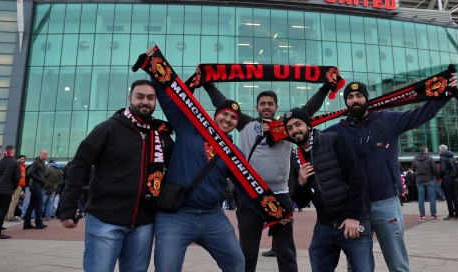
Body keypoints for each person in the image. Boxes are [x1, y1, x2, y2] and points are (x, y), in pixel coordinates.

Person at [323, 76, 458, 272]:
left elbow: (422, 113)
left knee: (397, 264)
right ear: (346, 102)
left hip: (386, 202)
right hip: (355, 208)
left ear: (366, 98)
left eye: (359, 95)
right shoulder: (336, 132)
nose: (355, 100)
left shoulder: (387, 120)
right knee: (357, 266)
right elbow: (305, 135)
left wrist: (447, 93)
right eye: (350, 97)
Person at [204, 79, 334, 272]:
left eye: (270, 104)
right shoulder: (245, 124)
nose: (266, 107)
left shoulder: (287, 127)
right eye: (262, 103)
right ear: (256, 107)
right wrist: (208, 84)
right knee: (247, 250)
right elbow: (221, 102)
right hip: (250, 194)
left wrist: (326, 86)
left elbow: (310, 108)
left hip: (280, 194)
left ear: (276, 107)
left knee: (286, 251)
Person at [60, 80, 175, 272]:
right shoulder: (108, 128)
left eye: (150, 98)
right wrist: (68, 206)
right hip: (105, 220)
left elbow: (177, 166)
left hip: (144, 224)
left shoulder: (161, 135)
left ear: (155, 102)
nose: (145, 102)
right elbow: (79, 165)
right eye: (140, 97)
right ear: (130, 98)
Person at [149, 80, 246, 271]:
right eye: (224, 114)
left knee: (237, 262)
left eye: (233, 117)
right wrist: (154, 67)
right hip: (176, 215)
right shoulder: (189, 127)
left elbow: (248, 188)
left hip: (212, 216)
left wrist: (275, 214)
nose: (228, 119)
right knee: (166, 267)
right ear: (215, 115)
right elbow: (170, 99)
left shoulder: (235, 154)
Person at [286, 108, 374, 272]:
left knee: (363, 268)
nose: (294, 130)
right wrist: (301, 182)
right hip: (325, 224)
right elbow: (302, 201)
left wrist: (354, 217)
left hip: (352, 219)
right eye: (289, 128)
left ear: (309, 126)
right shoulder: (296, 158)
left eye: (298, 124)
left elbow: (358, 180)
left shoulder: (334, 140)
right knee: (318, 260)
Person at [0, 145, 21, 239]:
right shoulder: (15, 163)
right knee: (2, 210)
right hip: (7, 190)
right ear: (13, 152)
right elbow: (17, 177)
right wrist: (13, 187)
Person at [23, 149, 48, 230]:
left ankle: (27, 223)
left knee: (32, 204)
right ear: (40, 154)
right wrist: (40, 180)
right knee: (39, 204)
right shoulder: (37, 162)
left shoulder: (42, 163)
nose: (45, 155)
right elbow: (30, 172)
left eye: (46, 154)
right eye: (44, 154)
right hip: (35, 186)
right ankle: (38, 223)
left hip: (36, 186)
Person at [412, 146, 438, 221]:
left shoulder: (414, 159)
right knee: (432, 198)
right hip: (429, 179)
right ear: (425, 150)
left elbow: (413, 169)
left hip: (419, 180)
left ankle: (422, 216)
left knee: (421, 199)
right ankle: (433, 216)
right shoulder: (430, 158)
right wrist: (434, 176)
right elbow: (435, 169)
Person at [439, 145, 458, 221]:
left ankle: (451, 214)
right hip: (453, 179)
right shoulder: (452, 156)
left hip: (446, 179)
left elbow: (442, 169)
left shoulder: (442, 157)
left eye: (439, 150)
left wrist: (439, 176)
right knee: (455, 198)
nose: (438, 152)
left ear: (441, 151)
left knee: (449, 198)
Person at [5, 154, 25, 222]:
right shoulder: (17, 165)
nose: (23, 160)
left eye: (24, 159)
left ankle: (7, 216)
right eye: (22, 159)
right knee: (14, 201)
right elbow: (15, 175)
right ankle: (10, 217)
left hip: (19, 184)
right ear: (18, 159)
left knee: (13, 201)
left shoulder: (20, 165)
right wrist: (21, 175)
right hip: (18, 184)